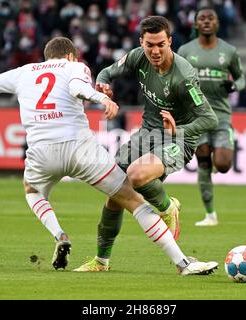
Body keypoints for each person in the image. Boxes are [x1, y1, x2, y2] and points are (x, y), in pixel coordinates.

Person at [0, 37, 218, 276]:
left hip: (41, 153)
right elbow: (77, 88)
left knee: (32, 192)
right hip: (80, 150)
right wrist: (101, 98)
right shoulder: (75, 68)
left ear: (46, 57)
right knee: (131, 200)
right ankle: (182, 263)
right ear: (71, 56)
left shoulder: (23, 72)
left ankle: (60, 235)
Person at [74, 16, 218, 272]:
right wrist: (104, 83)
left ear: (170, 42)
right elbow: (108, 70)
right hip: (147, 135)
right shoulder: (138, 56)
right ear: (141, 42)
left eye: (161, 44)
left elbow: (209, 118)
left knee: (137, 175)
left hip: (178, 139)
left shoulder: (184, 75)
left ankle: (167, 207)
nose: (155, 51)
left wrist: (179, 129)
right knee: (114, 193)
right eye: (149, 44)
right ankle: (101, 261)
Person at [177, 7, 245, 227]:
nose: (206, 22)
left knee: (224, 164)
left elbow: (242, 78)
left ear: (217, 23)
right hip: (196, 116)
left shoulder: (229, 51)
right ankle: (210, 215)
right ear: (196, 24)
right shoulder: (185, 50)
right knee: (204, 163)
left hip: (222, 115)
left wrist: (234, 85)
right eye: (201, 19)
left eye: (210, 18)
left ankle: (218, 164)